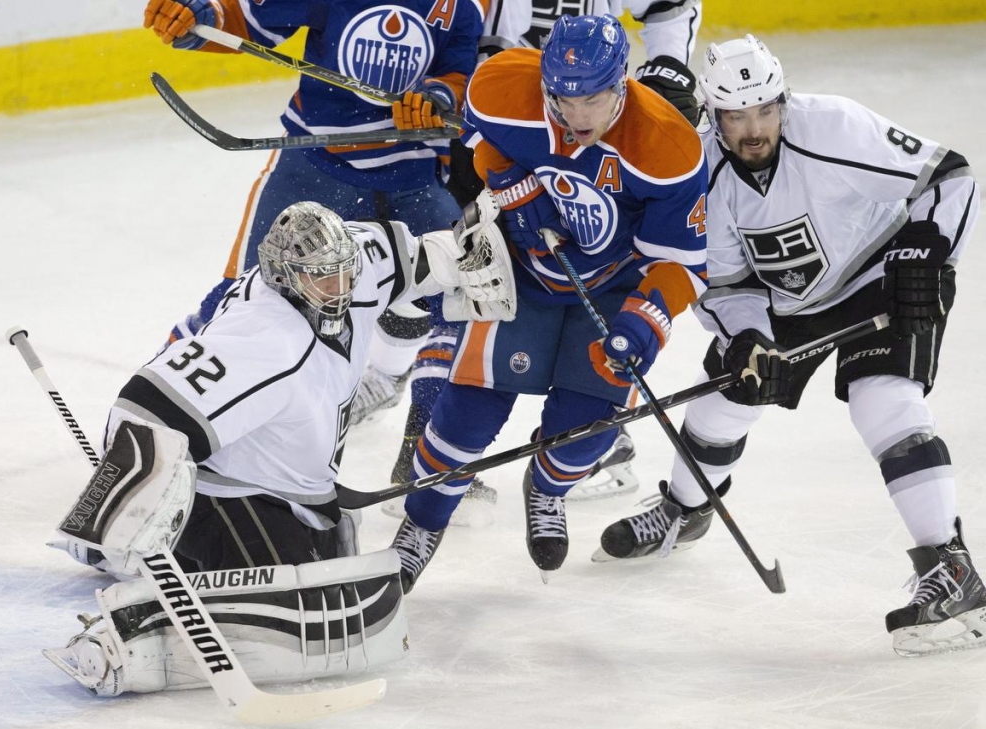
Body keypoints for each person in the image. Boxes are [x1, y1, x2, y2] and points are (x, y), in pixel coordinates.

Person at [596, 35, 984, 656]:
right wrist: (748, 338)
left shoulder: (833, 127)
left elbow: (949, 176)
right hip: (785, 300)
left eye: (764, 111)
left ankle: (951, 566)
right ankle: (684, 510)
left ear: (783, 100)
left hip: (880, 273)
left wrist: (928, 252)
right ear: (713, 115)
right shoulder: (705, 172)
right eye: (736, 115)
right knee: (722, 405)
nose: (753, 129)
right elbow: (722, 280)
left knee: (881, 399)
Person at [43, 200, 517, 695]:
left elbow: (413, 259)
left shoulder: (356, 260)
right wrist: (109, 510)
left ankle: (154, 559)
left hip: (299, 491)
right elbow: (144, 407)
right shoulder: (265, 336)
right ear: (285, 277)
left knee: (337, 574)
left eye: (342, 273)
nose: (339, 289)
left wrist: (456, 259)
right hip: (230, 495)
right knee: (309, 624)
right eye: (320, 279)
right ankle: (116, 641)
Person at [387, 14, 709, 592]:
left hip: (612, 288)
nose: (577, 115)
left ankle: (547, 487)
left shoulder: (667, 145)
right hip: (523, 271)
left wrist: (642, 326)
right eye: (563, 98)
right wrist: (511, 183)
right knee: (468, 411)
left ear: (622, 82)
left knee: (587, 429)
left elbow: (680, 265)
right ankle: (422, 523)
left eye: (594, 98)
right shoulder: (504, 84)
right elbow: (478, 138)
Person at [142, 0, 486, 432]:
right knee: (242, 296)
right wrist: (199, 19)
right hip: (315, 165)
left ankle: (429, 462)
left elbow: (459, 73)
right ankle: (152, 421)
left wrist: (438, 95)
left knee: (465, 297)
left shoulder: (460, 8)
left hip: (412, 177)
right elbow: (247, 19)